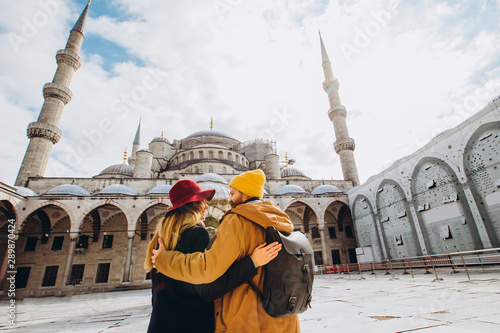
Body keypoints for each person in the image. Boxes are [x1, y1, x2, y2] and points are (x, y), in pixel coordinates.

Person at [152, 170, 300, 332]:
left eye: (232, 193)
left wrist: (163, 259)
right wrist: (253, 262)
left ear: (245, 194)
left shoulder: (236, 220)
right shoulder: (282, 221)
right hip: (284, 312)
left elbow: (207, 269)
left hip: (248, 317)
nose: (229, 199)